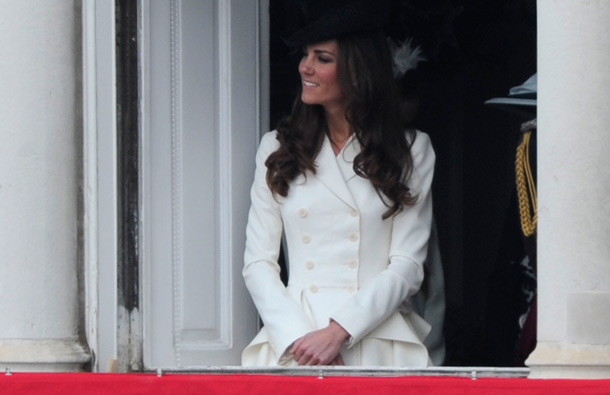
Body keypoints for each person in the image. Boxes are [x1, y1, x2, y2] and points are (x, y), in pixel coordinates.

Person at [242, 0, 435, 367]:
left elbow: (408, 264)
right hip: (293, 342)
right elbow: (258, 263)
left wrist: (339, 332)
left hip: (374, 338)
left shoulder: (411, 150)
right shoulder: (277, 148)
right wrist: (302, 342)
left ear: (358, 71)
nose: (305, 66)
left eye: (323, 58)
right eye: (305, 55)